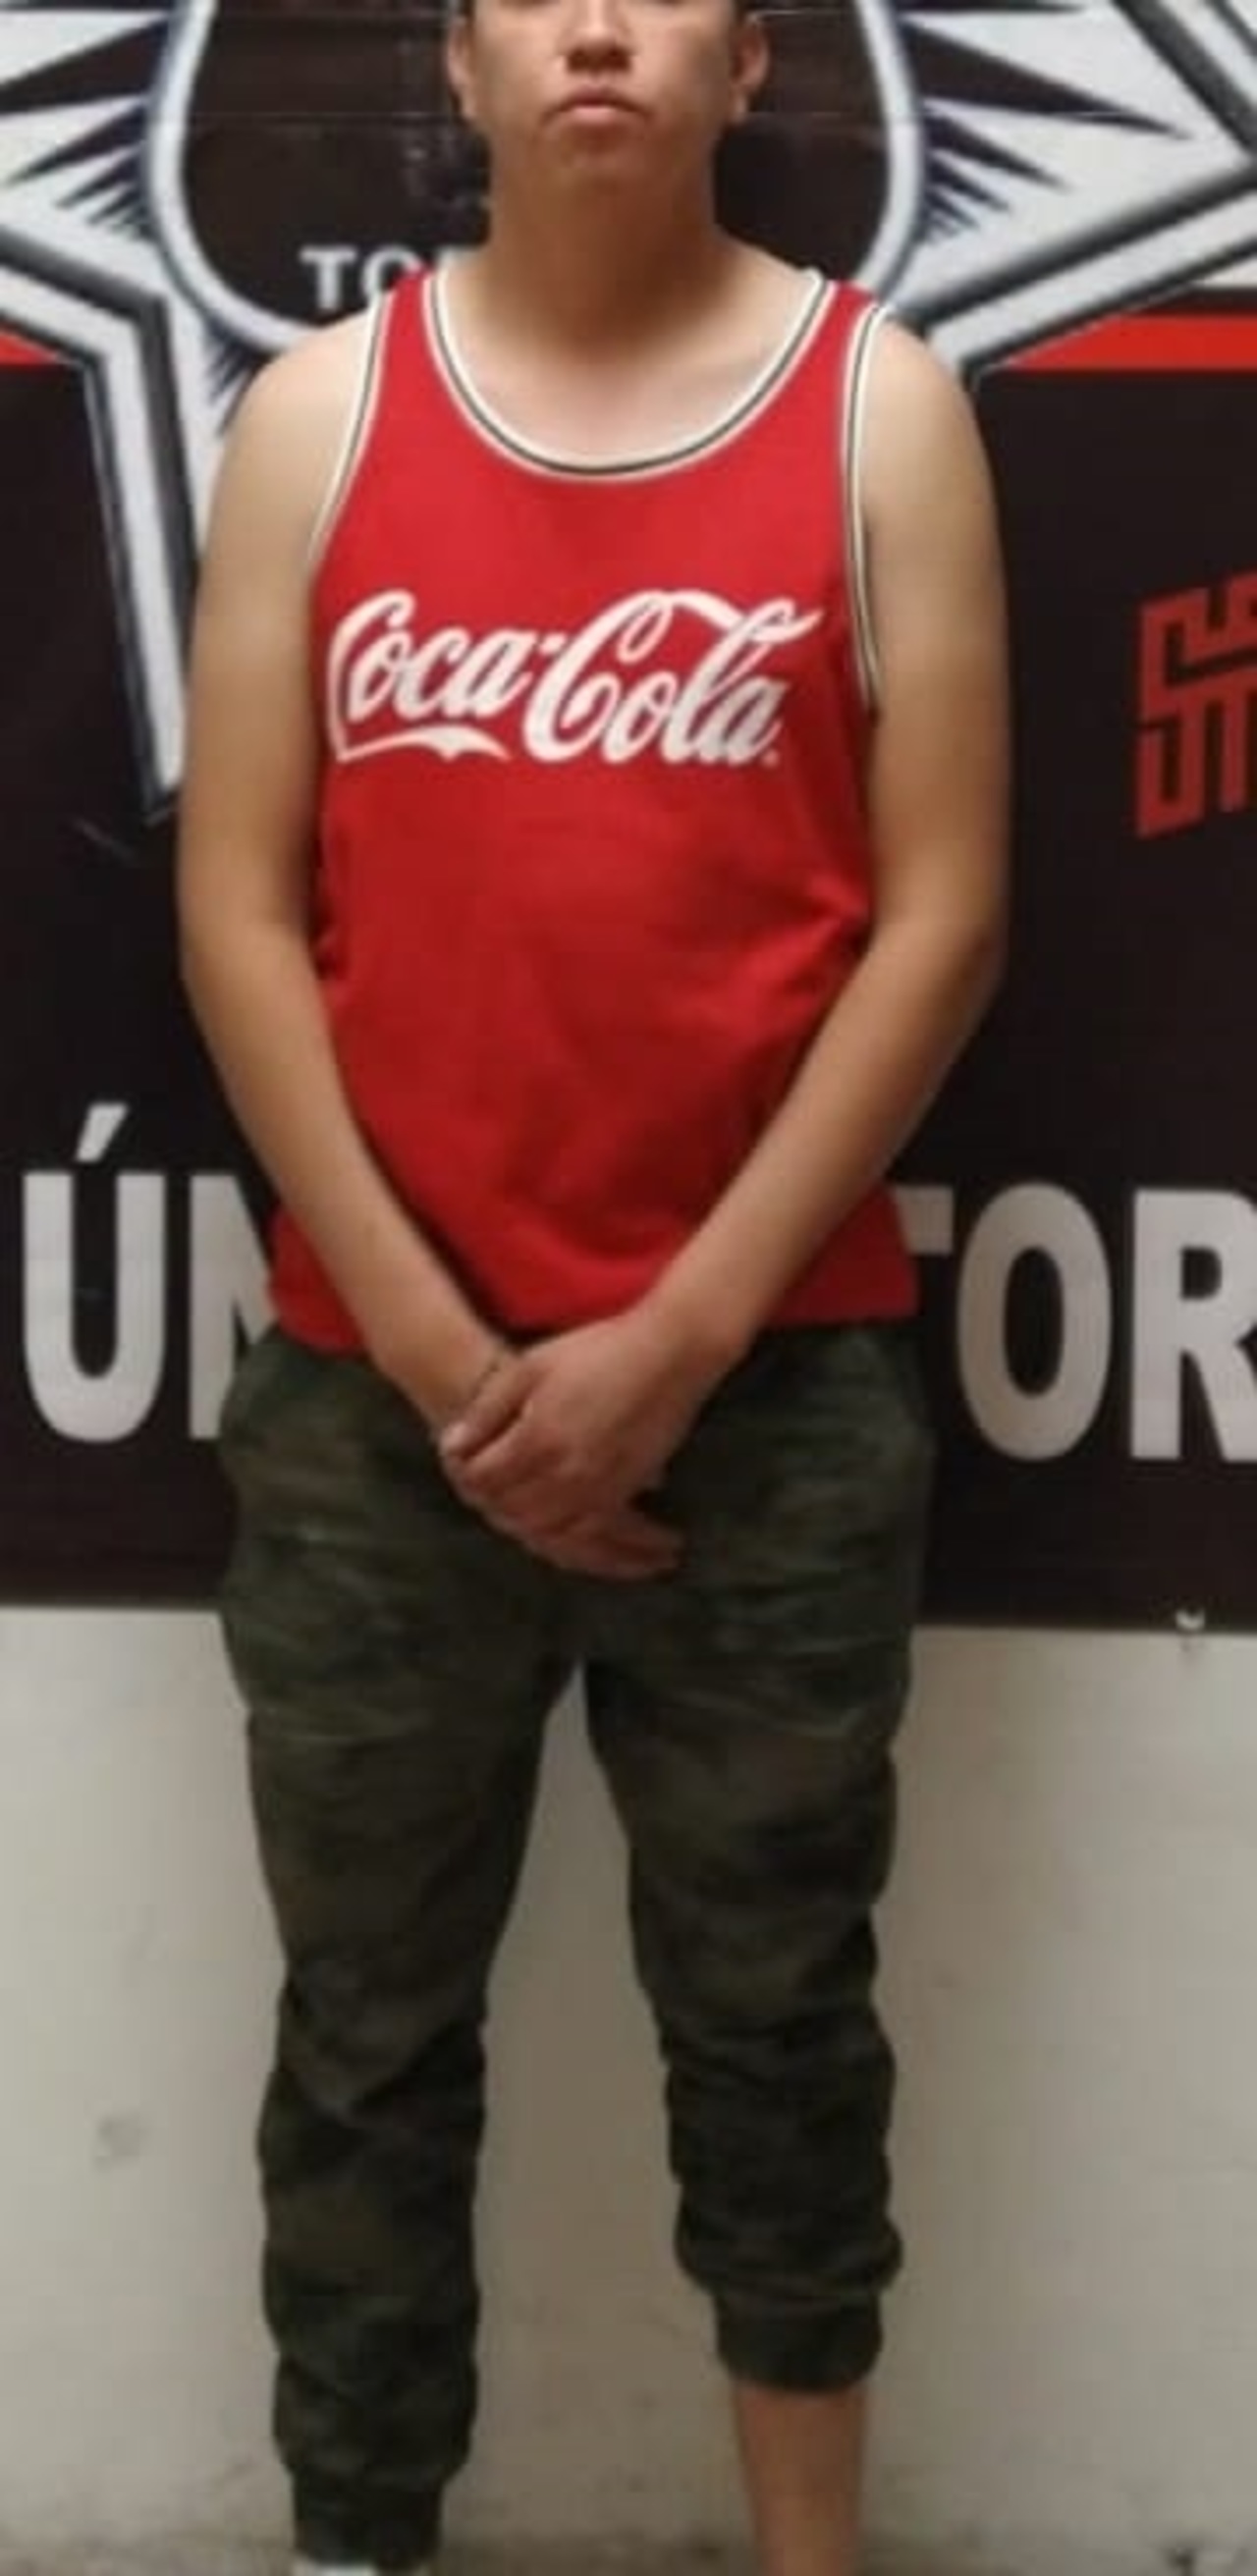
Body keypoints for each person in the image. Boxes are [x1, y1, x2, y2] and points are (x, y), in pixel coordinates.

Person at [177, 0, 1009, 2565]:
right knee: (364, 2040)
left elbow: (948, 915)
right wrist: (449, 1354)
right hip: (374, 1412)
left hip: (773, 1393)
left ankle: (810, 2557)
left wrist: (680, 1335)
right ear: (462, 59)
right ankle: (359, 2537)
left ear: (751, 63)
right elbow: (235, 910)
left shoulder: (882, 413)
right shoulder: (319, 416)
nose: (602, 28)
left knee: (779, 2026)